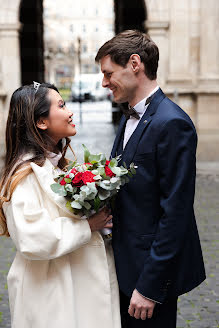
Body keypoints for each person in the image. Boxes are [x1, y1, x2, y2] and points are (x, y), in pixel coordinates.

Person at [95, 30, 206, 328]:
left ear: (134, 64)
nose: (104, 83)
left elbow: (176, 213)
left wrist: (149, 288)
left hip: (149, 279)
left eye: (108, 73)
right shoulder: (127, 116)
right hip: (124, 266)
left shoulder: (173, 123)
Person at [0, 82, 121, 328]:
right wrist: (87, 226)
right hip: (51, 291)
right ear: (41, 122)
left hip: (79, 284)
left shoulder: (59, 166)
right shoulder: (23, 176)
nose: (70, 112)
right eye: (62, 105)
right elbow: (31, 238)